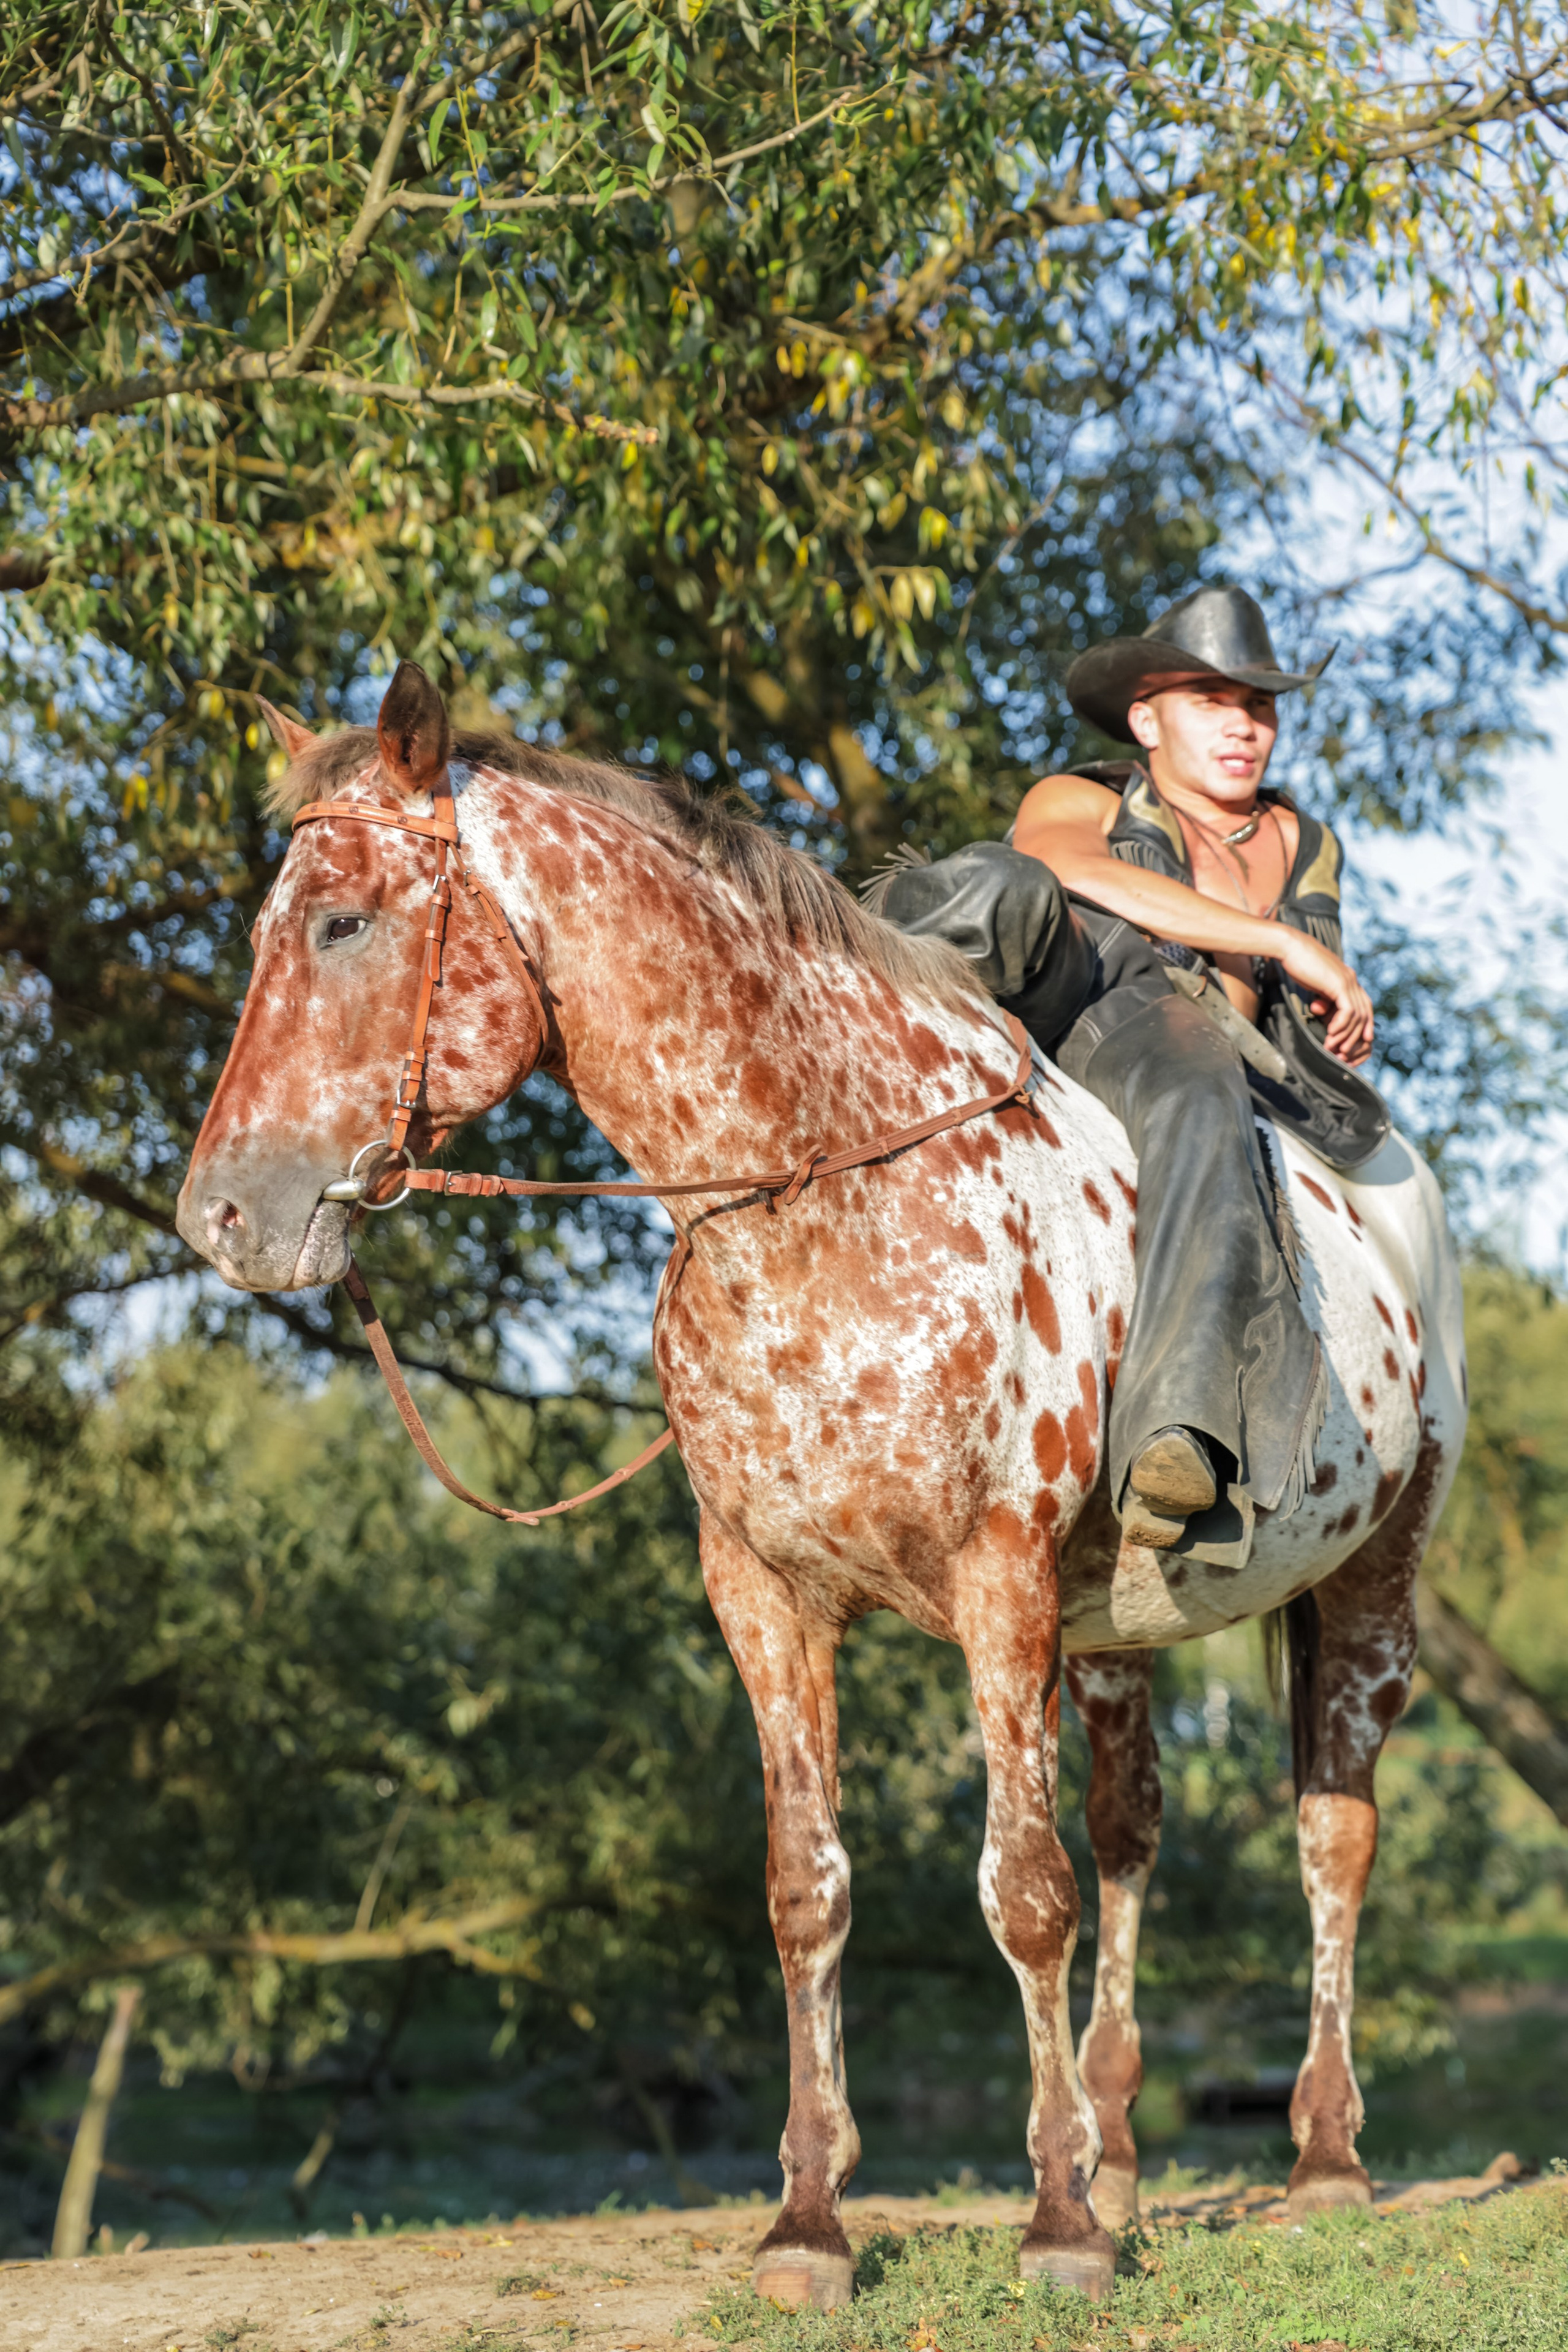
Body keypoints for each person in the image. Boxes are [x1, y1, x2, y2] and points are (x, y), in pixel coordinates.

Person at [871, 585, 1389, 1564]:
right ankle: (848, 989)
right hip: (1087, 987)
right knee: (1004, 885)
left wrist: (1325, 1023)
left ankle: (1181, 1437)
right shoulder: (1081, 795)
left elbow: (1282, 1017)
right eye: (1211, 700)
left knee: (1205, 1090)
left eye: (1260, 705)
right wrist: (1280, 940)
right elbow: (1083, 875)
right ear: (1146, 718)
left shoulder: (1306, 843)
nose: (1244, 727)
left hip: (1182, 1043)